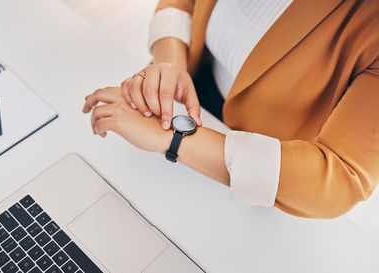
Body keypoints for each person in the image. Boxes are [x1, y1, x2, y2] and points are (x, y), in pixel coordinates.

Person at [82, 0, 379, 219]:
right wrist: (169, 61)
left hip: (261, 175)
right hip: (188, 91)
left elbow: (343, 176)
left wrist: (174, 137)